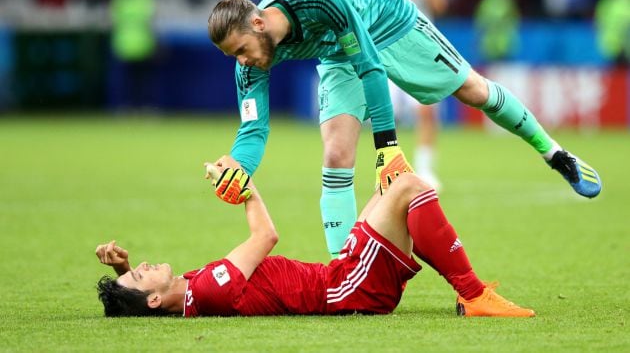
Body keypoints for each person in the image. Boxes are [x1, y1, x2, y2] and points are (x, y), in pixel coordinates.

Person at [207, 0, 602, 257]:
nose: (242, 62)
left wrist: (387, 147)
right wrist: (239, 168)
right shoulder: (249, 61)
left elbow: (371, 66)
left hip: (385, 20)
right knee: (336, 153)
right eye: (233, 56)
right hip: (335, 52)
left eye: (241, 50)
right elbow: (254, 130)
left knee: (472, 90)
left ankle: (555, 153)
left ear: (258, 22)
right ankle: (345, 272)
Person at [95, 155, 535, 318]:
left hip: (344, 278)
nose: (145, 267)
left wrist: (123, 271)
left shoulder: (182, 293)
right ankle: (473, 294)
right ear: (153, 300)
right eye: (140, 277)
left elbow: (145, 298)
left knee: (394, 180)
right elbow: (266, 235)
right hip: (350, 289)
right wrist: (244, 187)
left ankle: (468, 294)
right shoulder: (207, 292)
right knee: (408, 187)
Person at [361, 0, 447, 190]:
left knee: (427, 110)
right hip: (385, 52)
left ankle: (424, 170)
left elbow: (439, 5)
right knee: (389, 115)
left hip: (421, 50)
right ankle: (390, 169)